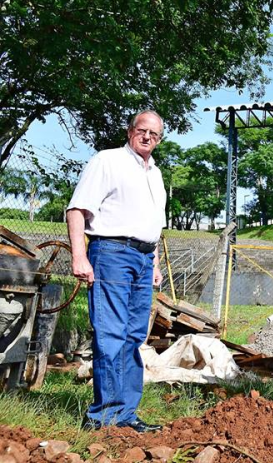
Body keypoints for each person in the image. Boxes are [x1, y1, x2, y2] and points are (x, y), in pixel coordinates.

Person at [66, 110, 167, 433]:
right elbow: (76, 210)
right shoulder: (107, 161)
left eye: (155, 134)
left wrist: (154, 264)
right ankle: (103, 417)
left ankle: (125, 414)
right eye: (142, 130)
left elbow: (153, 226)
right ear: (129, 131)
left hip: (142, 257)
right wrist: (79, 257)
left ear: (160, 139)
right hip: (111, 252)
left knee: (134, 336)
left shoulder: (156, 173)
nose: (148, 137)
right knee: (110, 334)